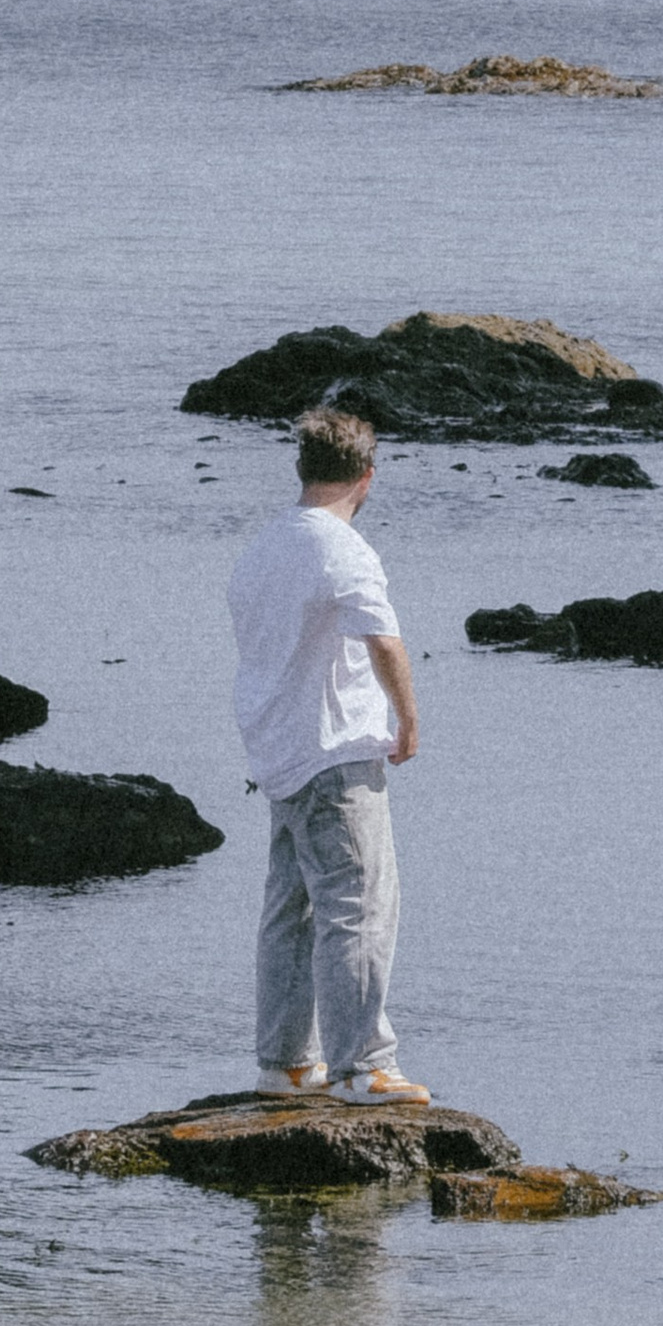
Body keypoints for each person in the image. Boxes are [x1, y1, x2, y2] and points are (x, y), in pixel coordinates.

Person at [228, 404, 430, 1107]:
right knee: (358, 904)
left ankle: (285, 1064)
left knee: (292, 909)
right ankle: (360, 1067)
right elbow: (383, 641)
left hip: (277, 750)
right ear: (367, 475)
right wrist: (408, 719)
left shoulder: (262, 547)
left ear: (302, 467)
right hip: (335, 751)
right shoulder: (344, 549)